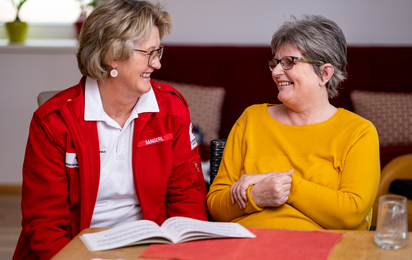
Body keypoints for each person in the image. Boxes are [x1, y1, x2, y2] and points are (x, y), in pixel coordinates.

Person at [13, 1, 207, 259]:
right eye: (148, 53)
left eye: (158, 52)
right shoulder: (53, 121)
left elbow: (188, 196)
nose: (157, 64)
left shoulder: (171, 109)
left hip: (151, 249)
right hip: (76, 251)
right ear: (112, 56)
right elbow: (45, 223)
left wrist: (182, 253)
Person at [207, 15, 380, 231]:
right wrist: (257, 196)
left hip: (320, 249)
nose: (277, 72)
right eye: (276, 62)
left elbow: (352, 214)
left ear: (324, 73)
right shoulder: (251, 119)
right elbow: (216, 206)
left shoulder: (358, 132)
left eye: (289, 62)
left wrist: (284, 185)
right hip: (247, 244)